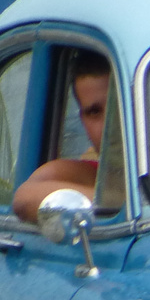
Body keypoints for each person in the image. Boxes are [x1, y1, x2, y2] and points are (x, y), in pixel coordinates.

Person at [12, 51, 111, 223]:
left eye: (117, 107)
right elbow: (24, 199)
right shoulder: (87, 174)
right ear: (82, 119)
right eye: (94, 112)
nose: (108, 125)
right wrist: (120, 202)